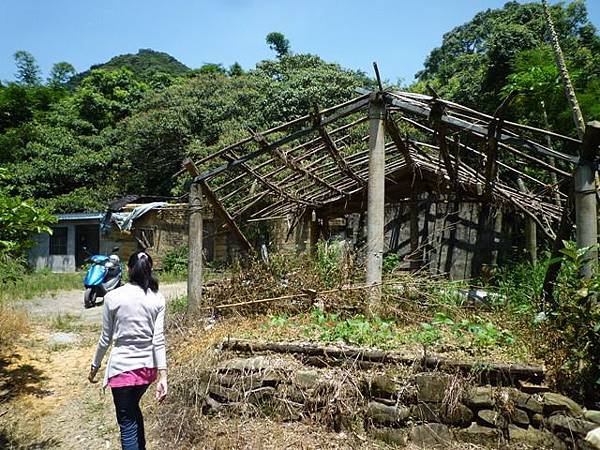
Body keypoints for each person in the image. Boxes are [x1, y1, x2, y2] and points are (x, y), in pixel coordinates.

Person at [88, 251, 167, 450]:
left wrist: (94, 366)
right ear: (150, 270)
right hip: (147, 371)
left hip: (122, 370)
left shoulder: (113, 297)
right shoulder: (157, 298)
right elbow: (158, 339)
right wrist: (163, 376)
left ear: (129, 270)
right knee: (132, 410)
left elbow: (105, 338)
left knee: (127, 423)